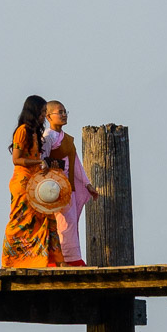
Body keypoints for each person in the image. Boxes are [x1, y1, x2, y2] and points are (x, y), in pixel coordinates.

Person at [1, 95, 64, 268]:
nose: (44, 116)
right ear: (34, 112)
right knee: (21, 221)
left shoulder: (35, 133)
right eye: (42, 112)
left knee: (46, 216)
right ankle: (12, 260)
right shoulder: (22, 131)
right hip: (22, 183)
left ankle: (53, 260)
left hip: (35, 182)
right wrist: (38, 162)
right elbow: (16, 159)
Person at [42, 100, 99, 266]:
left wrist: (87, 184)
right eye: (59, 112)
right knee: (62, 224)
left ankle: (73, 258)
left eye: (65, 111)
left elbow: (76, 164)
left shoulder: (66, 138)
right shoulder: (47, 137)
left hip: (69, 186)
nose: (64, 115)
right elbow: (42, 161)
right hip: (55, 188)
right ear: (48, 116)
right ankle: (62, 259)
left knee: (72, 223)